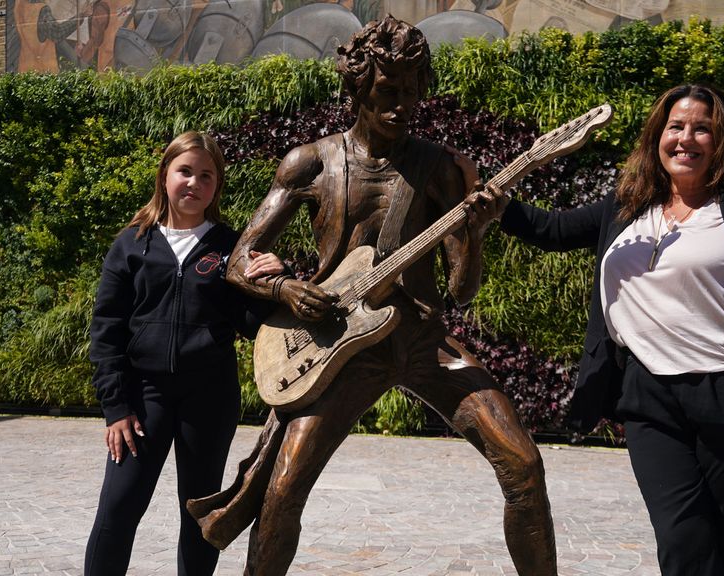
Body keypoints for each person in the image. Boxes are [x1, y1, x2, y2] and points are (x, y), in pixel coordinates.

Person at [184, 16, 557, 576]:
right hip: (341, 344)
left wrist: (474, 237)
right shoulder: (310, 162)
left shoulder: (441, 168)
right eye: (387, 91)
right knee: (282, 491)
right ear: (358, 88)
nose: (402, 104)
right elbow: (240, 260)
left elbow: (461, 289)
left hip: (425, 339)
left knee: (524, 464)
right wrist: (286, 285)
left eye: (411, 91)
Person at [492, 84, 724, 575]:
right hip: (651, 400)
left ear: (722, 139)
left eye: (702, 128)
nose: (687, 138)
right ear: (658, 137)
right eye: (676, 126)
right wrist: (486, 195)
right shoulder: (627, 207)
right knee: (683, 538)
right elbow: (552, 230)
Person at [85, 131, 286, 576]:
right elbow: (106, 330)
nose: (194, 182)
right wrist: (116, 407)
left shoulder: (231, 248)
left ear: (217, 186)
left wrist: (273, 281)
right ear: (165, 175)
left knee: (198, 515)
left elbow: (254, 326)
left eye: (206, 176)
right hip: (143, 397)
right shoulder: (132, 243)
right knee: (118, 508)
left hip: (208, 399)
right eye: (185, 171)